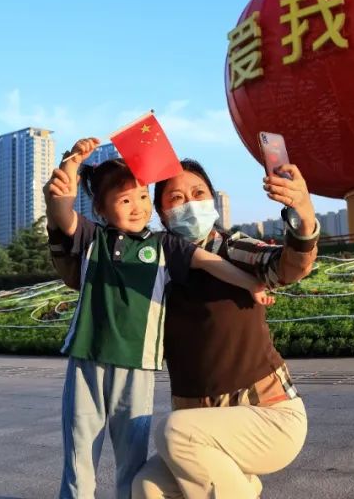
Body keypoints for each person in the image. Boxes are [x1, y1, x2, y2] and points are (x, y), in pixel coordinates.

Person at [44, 138, 273, 499]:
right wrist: (72, 163)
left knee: (131, 460)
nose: (137, 207)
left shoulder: (163, 244)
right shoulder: (92, 238)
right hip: (87, 358)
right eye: (124, 200)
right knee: (79, 454)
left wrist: (250, 284)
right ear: (101, 209)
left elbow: (208, 261)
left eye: (142, 196)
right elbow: (61, 210)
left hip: (137, 365)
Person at [131, 157, 320, 499]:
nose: (190, 204)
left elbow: (284, 267)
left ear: (212, 200)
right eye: (176, 198)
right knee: (146, 487)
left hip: (267, 415)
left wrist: (304, 215)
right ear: (161, 213)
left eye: (198, 193)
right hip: (202, 426)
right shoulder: (157, 267)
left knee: (175, 433)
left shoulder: (231, 248)